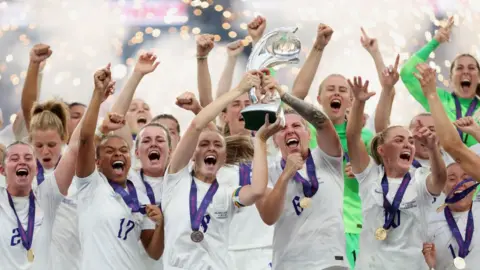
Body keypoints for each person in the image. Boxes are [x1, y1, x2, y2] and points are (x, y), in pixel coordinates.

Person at [162, 70, 276, 269]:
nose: (211, 148)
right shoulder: (175, 180)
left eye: (217, 146)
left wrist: (259, 140)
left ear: (225, 158)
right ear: (192, 153)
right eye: (204, 144)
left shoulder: (225, 194)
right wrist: (239, 89)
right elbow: (197, 125)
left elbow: (257, 190)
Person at [290, 23, 373, 268]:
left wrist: (363, 172)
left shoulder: (364, 138)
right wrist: (318, 47)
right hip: (311, 224)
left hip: (354, 224)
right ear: (319, 98)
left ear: (350, 100)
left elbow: (379, 179)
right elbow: (296, 97)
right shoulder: (307, 132)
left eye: (342, 90)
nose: (336, 93)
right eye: (330, 90)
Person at [346, 76, 447, 269]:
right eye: (399, 140)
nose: (408, 144)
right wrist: (359, 102)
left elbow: (440, 179)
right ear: (382, 150)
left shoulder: (420, 178)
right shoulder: (370, 176)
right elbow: (352, 137)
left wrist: (433, 148)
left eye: (410, 141)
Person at [74, 65, 164, 270]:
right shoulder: (90, 185)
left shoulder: (140, 195)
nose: (118, 153)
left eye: (123, 150)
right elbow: (86, 138)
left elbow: (154, 252)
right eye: (109, 150)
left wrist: (160, 224)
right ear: (97, 162)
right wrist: (98, 95)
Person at [255, 74, 348, 270]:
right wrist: (286, 174)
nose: (290, 131)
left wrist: (283, 95)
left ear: (308, 133)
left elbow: (322, 122)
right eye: (282, 128)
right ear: (274, 140)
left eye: (297, 126)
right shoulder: (267, 170)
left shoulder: (327, 159)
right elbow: (268, 216)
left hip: (331, 262)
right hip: (289, 264)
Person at [400, 16, 480, 147]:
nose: (465, 72)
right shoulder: (438, 98)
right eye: (459, 68)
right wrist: (435, 41)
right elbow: (407, 73)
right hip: (443, 165)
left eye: (471, 68)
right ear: (451, 78)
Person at [0, 141, 65, 269]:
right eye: (14, 158)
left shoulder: (47, 197)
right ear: (2, 170)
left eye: (28, 158)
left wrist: (100, 130)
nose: (22, 161)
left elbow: (75, 149)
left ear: (36, 168)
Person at [423, 160, 480, 270]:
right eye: (452, 179)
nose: (459, 183)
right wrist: (430, 267)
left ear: (474, 185)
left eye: (465, 178)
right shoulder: (429, 223)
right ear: (443, 188)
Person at [133, 122, 172, 270]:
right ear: (137, 152)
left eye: (160, 140)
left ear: (170, 150)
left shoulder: (183, 181)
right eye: (146, 140)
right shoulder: (128, 182)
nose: (153, 144)